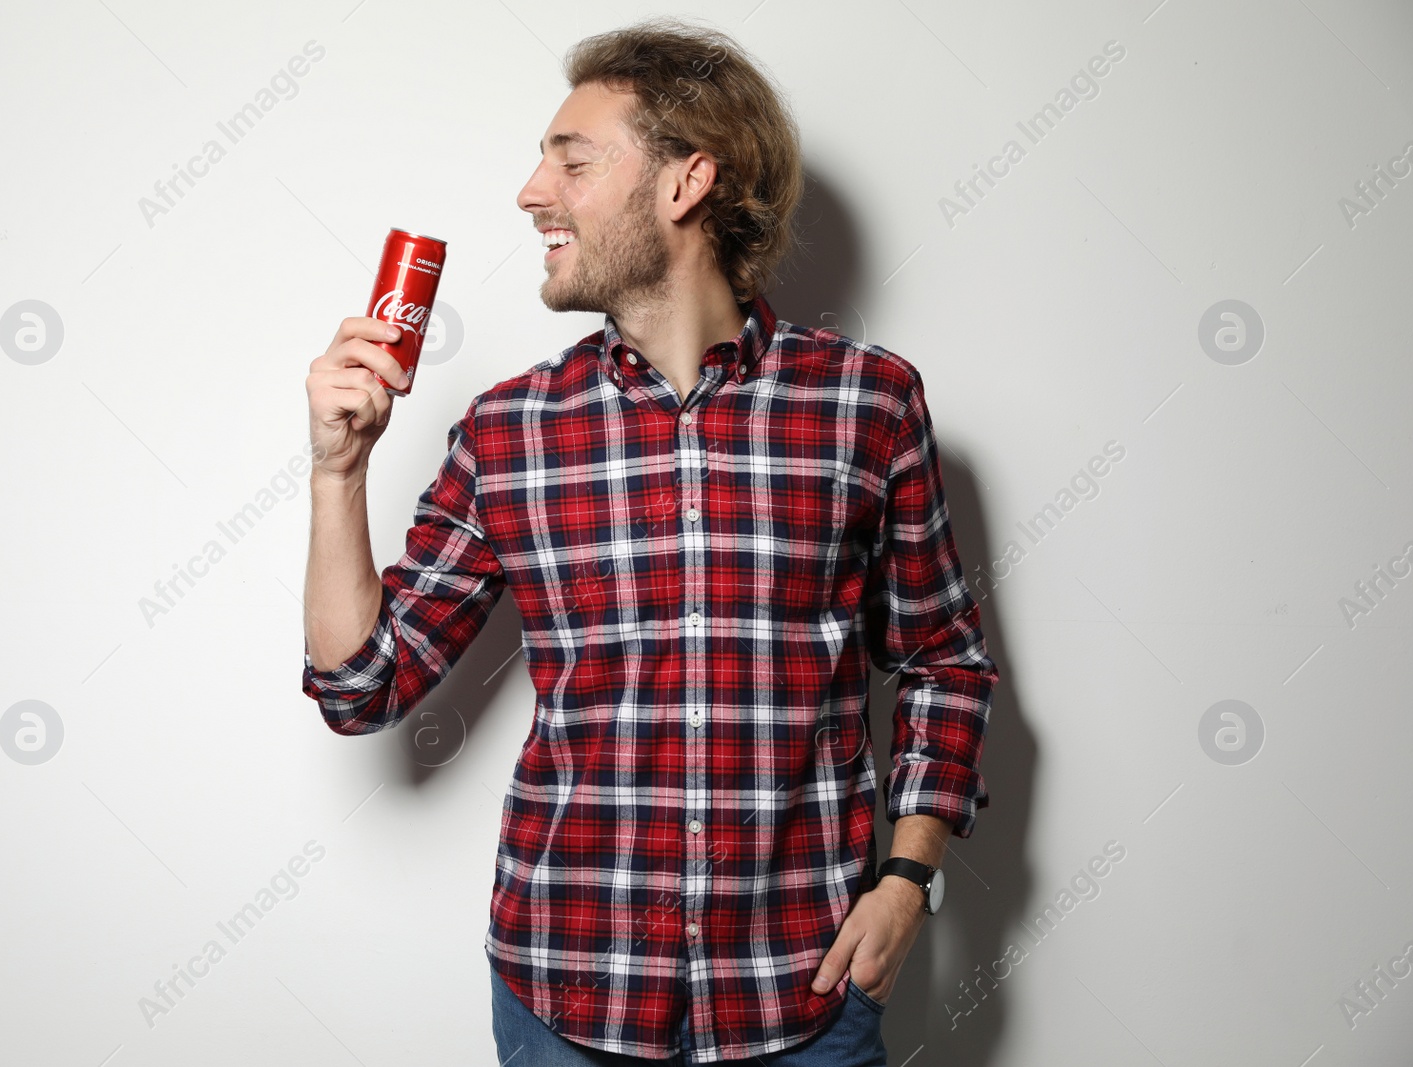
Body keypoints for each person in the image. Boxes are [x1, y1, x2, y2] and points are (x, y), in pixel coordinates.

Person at [301, 17, 997, 1066]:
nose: (531, 191)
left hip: (803, 994)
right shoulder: (509, 429)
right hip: (565, 996)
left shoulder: (867, 402)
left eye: (569, 160)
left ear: (683, 184)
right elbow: (361, 688)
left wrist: (906, 880)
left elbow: (944, 660)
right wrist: (337, 469)